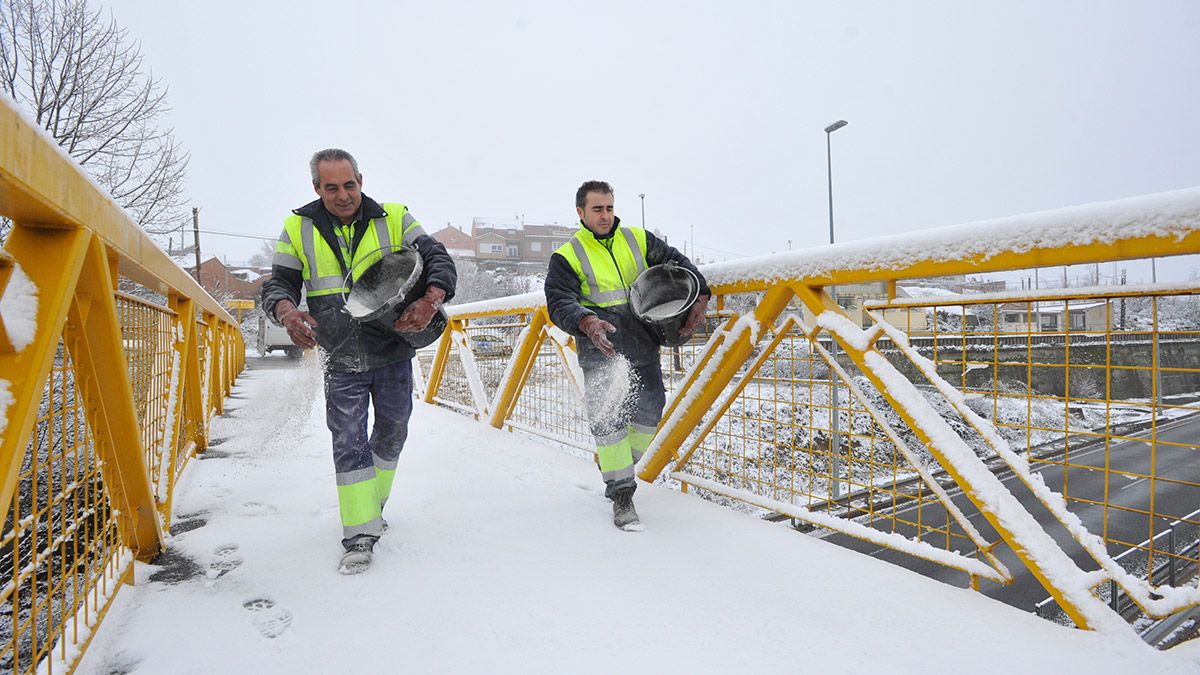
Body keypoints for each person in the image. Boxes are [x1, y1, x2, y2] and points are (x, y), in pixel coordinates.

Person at [261, 148, 456, 573]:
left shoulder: (395, 217)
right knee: (348, 439)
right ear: (317, 188)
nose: (343, 195)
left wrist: (431, 298)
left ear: (361, 180)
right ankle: (360, 534)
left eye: (349, 184)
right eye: (331, 187)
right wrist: (287, 312)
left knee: (392, 434)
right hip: (341, 352)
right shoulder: (299, 227)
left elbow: (439, 258)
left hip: (392, 347)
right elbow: (278, 283)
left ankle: (373, 503)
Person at [544, 180, 710, 530]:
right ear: (580, 212)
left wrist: (701, 295)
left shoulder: (638, 239)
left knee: (651, 410)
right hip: (600, 350)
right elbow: (559, 302)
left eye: (609, 208)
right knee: (609, 423)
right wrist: (587, 321)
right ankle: (622, 495)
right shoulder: (567, 257)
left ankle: (616, 466)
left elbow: (678, 264)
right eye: (597, 209)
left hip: (641, 344)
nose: (605, 216)